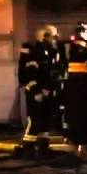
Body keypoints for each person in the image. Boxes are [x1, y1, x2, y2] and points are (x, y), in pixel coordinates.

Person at [18, 25, 64, 154]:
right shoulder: (30, 49)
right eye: (53, 36)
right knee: (35, 121)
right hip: (36, 92)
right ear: (45, 36)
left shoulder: (52, 51)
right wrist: (36, 91)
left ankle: (44, 148)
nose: (55, 39)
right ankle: (28, 148)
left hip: (48, 91)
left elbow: (53, 71)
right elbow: (25, 74)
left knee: (46, 121)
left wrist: (53, 88)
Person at [62, 22, 87, 149]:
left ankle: (83, 142)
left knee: (83, 114)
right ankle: (77, 141)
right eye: (79, 31)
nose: (81, 33)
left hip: (85, 85)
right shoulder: (70, 47)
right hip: (78, 85)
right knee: (75, 114)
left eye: (82, 31)